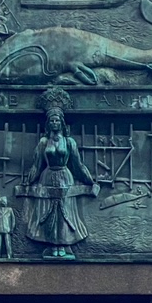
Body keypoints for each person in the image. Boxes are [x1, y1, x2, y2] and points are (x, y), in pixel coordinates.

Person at [21, 90, 98, 260]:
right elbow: (37, 164)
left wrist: (90, 180)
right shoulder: (43, 142)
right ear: (48, 124)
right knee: (48, 212)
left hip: (65, 177)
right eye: (52, 120)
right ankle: (51, 245)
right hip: (47, 177)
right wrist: (28, 180)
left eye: (57, 120)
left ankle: (63, 245)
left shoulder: (69, 142)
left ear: (62, 123)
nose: (55, 123)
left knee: (65, 212)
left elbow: (78, 165)